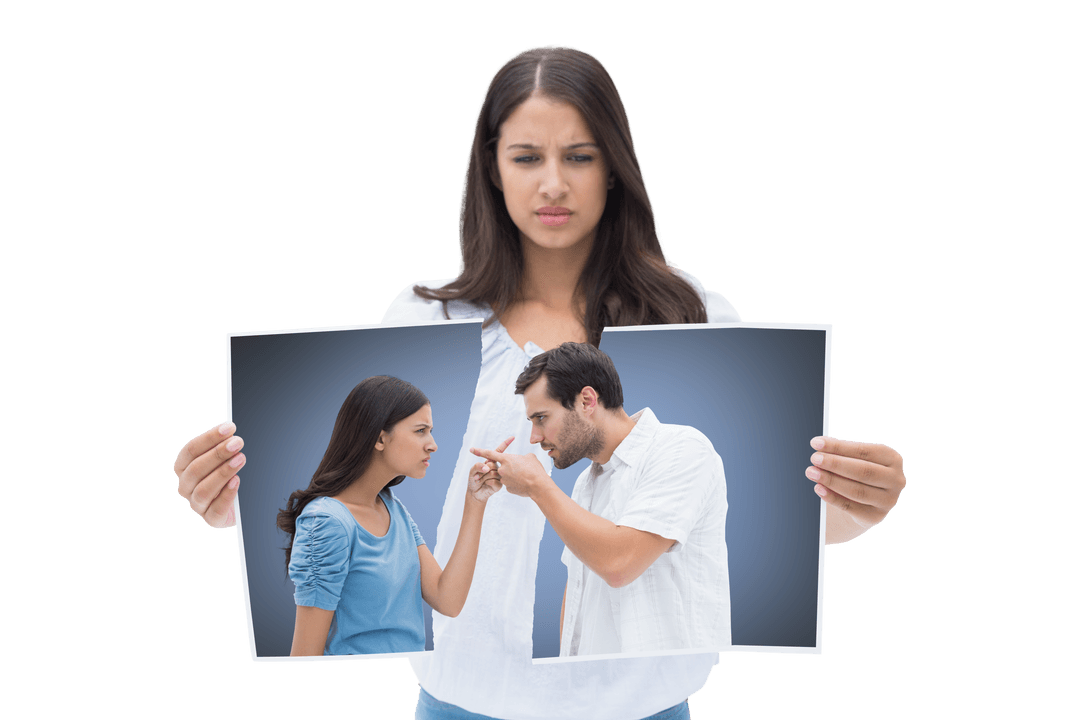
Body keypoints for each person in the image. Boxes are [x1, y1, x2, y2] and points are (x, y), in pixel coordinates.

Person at [173, 44, 907, 720]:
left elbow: (749, 529)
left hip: (642, 706)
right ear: (491, 166)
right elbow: (368, 506)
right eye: (526, 157)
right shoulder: (426, 319)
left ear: (614, 166)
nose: (553, 184)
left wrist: (853, 509)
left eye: (580, 156)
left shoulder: (693, 314)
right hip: (463, 702)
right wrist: (235, 507)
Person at [472, 342, 731, 657]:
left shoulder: (681, 450)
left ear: (586, 401)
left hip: (664, 690)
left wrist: (537, 486)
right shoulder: (587, 482)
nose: (534, 437)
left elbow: (619, 564)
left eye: (541, 418)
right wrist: (567, 674)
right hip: (594, 695)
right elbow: (578, 590)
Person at [277, 376, 504, 657]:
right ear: (380, 438)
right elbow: (304, 656)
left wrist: (475, 501)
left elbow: (448, 600)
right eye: (420, 430)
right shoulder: (326, 523)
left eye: (430, 431)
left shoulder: (393, 509)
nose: (432, 444)